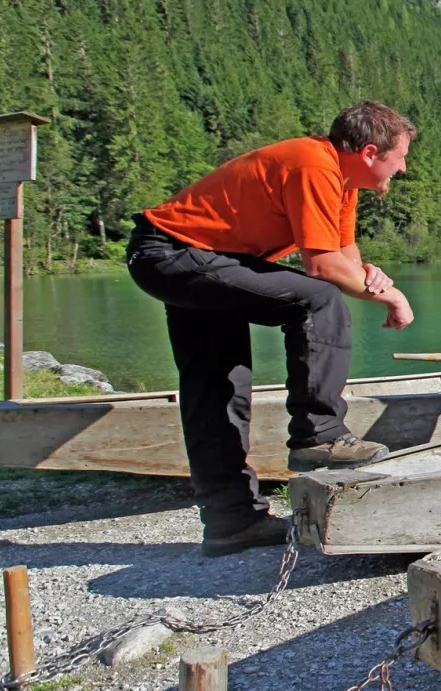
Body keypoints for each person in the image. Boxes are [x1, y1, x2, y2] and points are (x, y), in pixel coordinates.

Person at [125, 101, 417, 556]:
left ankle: (231, 521)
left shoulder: (343, 182)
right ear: (370, 152)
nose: (401, 170)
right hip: (173, 253)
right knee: (317, 299)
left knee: (218, 387)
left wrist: (373, 279)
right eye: (400, 158)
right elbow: (321, 270)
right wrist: (391, 296)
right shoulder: (313, 164)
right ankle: (318, 435)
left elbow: (344, 256)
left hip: (192, 257)